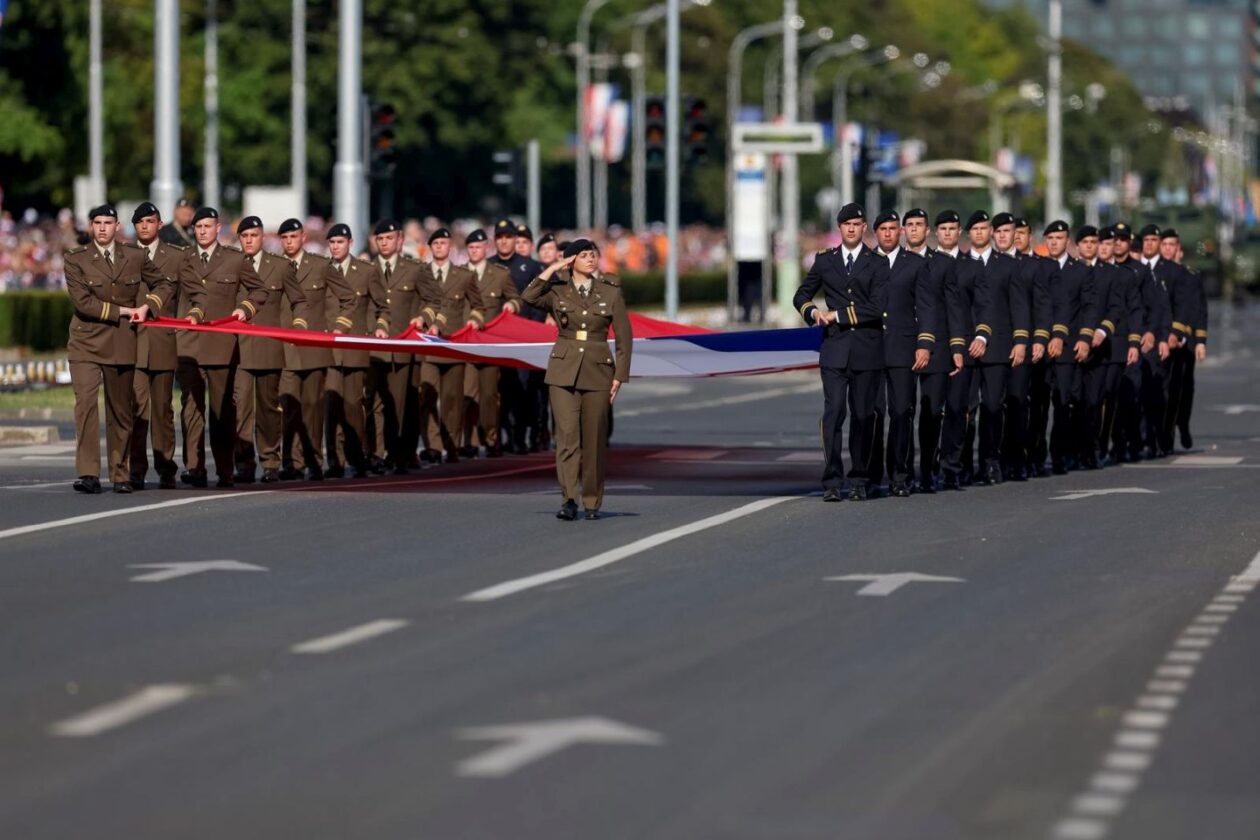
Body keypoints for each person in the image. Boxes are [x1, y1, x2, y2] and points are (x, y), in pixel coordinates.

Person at [64, 204, 174, 494]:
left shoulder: (135, 256)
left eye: (107, 222)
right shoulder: (76, 259)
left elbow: (164, 284)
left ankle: (120, 473)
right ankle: (88, 473)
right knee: (86, 405)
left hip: (122, 341)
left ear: (117, 227)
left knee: (121, 410)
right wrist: (125, 310)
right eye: (97, 222)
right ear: (91, 227)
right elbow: (83, 303)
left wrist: (148, 307)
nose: (102, 228)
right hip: (85, 342)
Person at [522, 239, 632, 520]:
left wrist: (620, 375)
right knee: (567, 437)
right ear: (571, 262)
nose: (591, 259)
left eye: (593, 255)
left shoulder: (610, 293)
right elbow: (529, 296)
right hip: (563, 371)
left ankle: (592, 501)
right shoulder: (557, 291)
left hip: (597, 370)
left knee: (593, 440)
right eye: (583, 256)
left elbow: (623, 338)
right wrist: (554, 266)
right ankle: (569, 499)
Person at [792, 203, 889, 502]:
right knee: (833, 413)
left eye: (857, 224)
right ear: (839, 228)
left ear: (864, 228)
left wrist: (838, 315)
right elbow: (801, 295)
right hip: (834, 350)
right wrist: (813, 313)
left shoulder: (877, 263)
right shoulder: (825, 261)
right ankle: (832, 478)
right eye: (846, 224)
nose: (851, 228)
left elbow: (876, 307)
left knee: (863, 415)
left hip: (865, 350)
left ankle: (860, 477)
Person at [180, 206, 268, 488]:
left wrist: (245, 308)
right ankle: (194, 468)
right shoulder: (184, 258)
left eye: (208, 226)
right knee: (191, 409)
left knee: (221, 411)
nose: (203, 231)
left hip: (221, 345)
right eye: (198, 227)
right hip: (189, 345)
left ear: (218, 228)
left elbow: (260, 290)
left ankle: (225, 469)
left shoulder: (234, 259)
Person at [277, 217, 356, 480]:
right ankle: (291, 463)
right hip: (285, 349)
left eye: (293, 237)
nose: (289, 242)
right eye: (284, 238)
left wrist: (339, 329)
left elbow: (348, 298)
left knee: (311, 408)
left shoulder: (321, 266)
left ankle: (313, 462)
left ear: (303, 238)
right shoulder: (275, 266)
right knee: (289, 407)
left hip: (314, 349)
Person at [232, 216, 307, 483]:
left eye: (253, 235)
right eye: (244, 236)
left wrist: (297, 326)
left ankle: (270, 462)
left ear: (263, 237)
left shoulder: (280, 266)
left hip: (269, 349)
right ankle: (243, 463)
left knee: (268, 410)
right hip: (237, 350)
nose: (249, 240)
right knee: (240, 409)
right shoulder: (231, 264)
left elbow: (299, 300)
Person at [367, 219, 439, 474]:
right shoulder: (366, 268)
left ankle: (400, 453)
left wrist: (423, 318)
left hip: (401, 347)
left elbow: (433, 301)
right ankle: (375, 453)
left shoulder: (414, 269)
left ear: (399, 241)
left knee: (399, 402)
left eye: (390, 238)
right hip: (372, 345)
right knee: (373, 401)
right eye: (381, 239)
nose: (385, 243)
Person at [871, 210, 934, 497]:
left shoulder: (915, 264)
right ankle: (870, 475)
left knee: (901, 412)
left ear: (900, 232)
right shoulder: (865, 262)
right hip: (869, 349)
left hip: (903, 347)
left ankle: (900, 474)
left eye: (892, 228)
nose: (887, 233)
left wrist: (924, 343)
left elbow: (926, 307)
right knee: (871, 413)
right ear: (876, 232)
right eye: (882, 228)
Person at [128, 201, 187, 490]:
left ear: (160, 225)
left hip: (164, 342)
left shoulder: (176, 257)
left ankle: (166, 468)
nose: (145, 226)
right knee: (136, 407)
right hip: (132, 342)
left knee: (162, 410)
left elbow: (193, 292)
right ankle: (135, 469)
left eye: (150, 221)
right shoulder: (123, 255)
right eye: (140, 222)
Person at [323, 223, 390, 479]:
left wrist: (380, 328)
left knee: (353, 405)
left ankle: (357, 457)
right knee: (331, 404)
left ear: (350, 243)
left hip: (354, 348)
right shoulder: (323, 270)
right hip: (328, 349)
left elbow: (383, 306)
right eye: (332, 243)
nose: (336, 247)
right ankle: (334, 461)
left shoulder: (366, 271)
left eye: (340, 242)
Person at [967, 210, 1026, 486]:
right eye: (974, 229)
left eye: (984, 228)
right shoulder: (961, 264)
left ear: (990, 231)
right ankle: (963, 463)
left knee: (993, 405)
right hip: (965, 346)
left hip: (999, 346)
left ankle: (991, 461)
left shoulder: (1007, 265)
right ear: (969, 234)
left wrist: (1021, 341)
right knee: (965, 407)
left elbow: (1018, 306)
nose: (979, 233)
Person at [417, 230, 485, 464]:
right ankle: (433, 445)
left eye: (443, 243)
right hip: (427, 346)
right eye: (435, 243)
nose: (439, 247)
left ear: (450, 246)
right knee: (426, 396)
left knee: (452, 400)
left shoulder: (463, 276)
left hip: (453, 345)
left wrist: (475, 319)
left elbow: (478, 305)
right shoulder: (421, 273)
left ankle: (452, 443)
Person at [456, 227, 521, 458]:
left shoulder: (499, 274)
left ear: (486, 248)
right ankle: (469, 440)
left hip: (490, 343)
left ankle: (491, 437)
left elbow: (515, 298)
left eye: (478, 247)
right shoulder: (459, 274)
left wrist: (511, 306)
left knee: (490, 396)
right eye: (471, 247)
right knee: (467, 394)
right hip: (467, 342)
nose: (474, 251)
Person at [930, 210, 982, 491]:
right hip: (932, 347)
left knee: (958, 410)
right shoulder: (925, 263)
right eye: (943, 229)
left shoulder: (971, 266)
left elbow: (981, 306)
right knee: (931, 409)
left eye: (953, 228)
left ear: (959, 231)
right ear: (936, 232)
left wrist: (980, 337)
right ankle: (930, 464)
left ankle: (951, 466)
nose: (948, 233)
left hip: (963, 346)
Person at [1043, 220, 1094, 474]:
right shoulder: (1037, 268)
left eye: (1059, 238)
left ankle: (1062, 454)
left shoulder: (1080, 271)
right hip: (1039, 347)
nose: (1054, 242)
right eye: (1050, 237)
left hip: (1068, 346)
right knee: (1039, 404)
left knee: (1065, 402)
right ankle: (1035, 455)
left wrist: (1084, 339)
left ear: (1068, 242)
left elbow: (1088, 309)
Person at [1161, 228, 1206, 450]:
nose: (1168, 249)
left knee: (1184, 387)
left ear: (1179, 249)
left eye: (1172, 245)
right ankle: (1165, 433)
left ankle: (1183, 425)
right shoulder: (1155, 273)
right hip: (1163, 337)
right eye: (1165, 244)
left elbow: (1198, 310)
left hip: (1184, 340)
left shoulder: (1190, 275)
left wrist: (1200, 341)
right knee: (1165, 389)